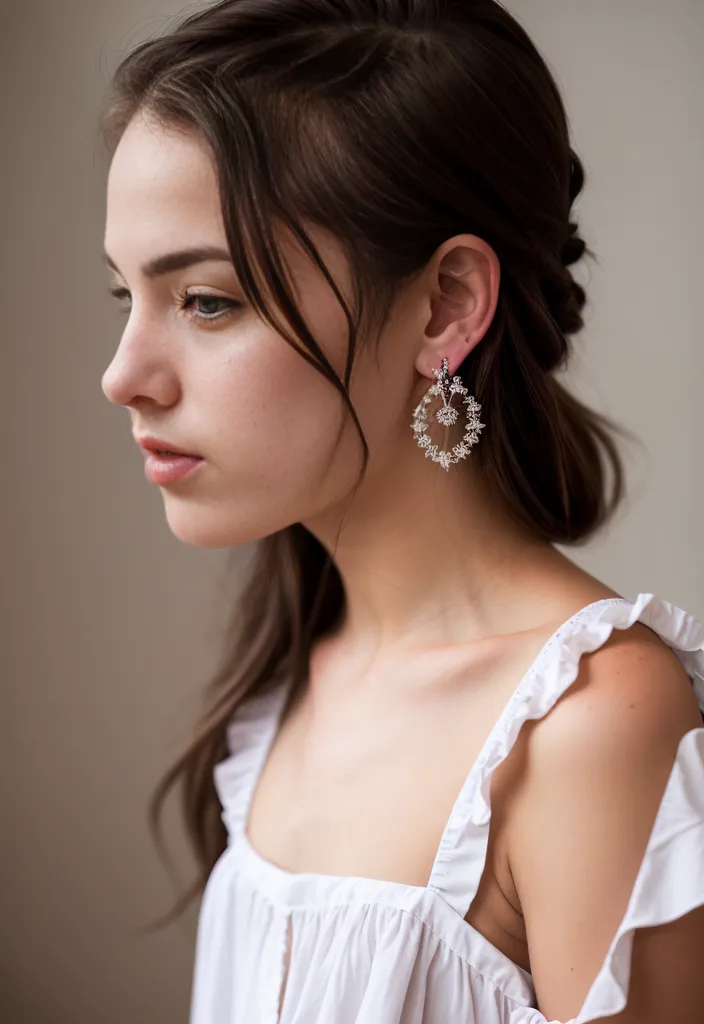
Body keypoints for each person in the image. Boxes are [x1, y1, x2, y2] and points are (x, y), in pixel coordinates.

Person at [98, 2, 704, 1022]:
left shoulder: (585, 726)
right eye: (126, 298)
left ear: (443, 306)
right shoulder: (288, 677)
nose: (124, 377)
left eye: (206, 301)